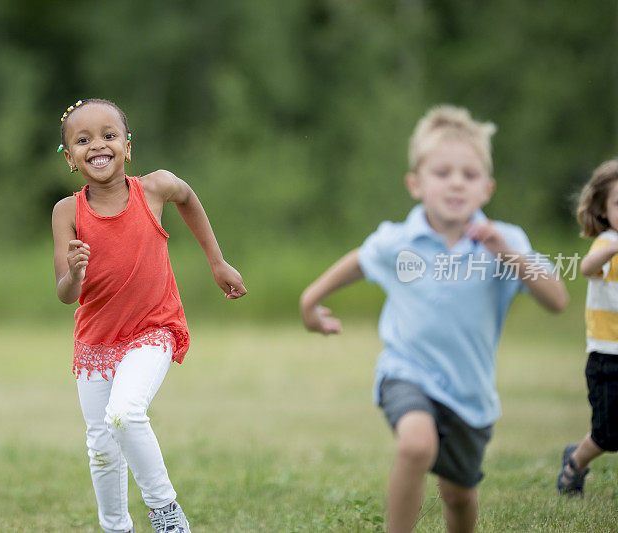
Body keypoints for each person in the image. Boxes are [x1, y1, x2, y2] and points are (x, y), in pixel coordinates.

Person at [299, 105, 568, 533]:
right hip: (406, 371)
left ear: (487, 188)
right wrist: (310, 302)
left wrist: (508, 255)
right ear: (416, 183)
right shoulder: (399, 240)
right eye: (443, 172)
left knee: (458, 496)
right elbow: (359, 261)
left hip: (470, 392)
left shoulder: (505, 241)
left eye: (469, 174)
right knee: (416, 443)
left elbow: (557, 299)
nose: (456, 182)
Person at [52, 98, 247, 533]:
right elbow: (66, 294)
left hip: (152, 329)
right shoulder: (67, 212)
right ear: (69, 158)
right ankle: (116, 527)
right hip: (95, 343)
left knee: (124, 414)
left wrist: (216, 262)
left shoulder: (154, 189)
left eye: (108, 135)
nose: (97, 146)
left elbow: (188, 197)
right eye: (83, 140)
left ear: (126, 145)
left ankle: (165, 513)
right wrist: (76, 271)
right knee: (102, 447)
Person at [557, 159, 618, 497]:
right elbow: (586, 267)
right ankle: (575, 462)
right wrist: (612, 248)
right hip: (607, 357)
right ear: (604, 210)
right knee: (608, 434)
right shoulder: (605, 245)